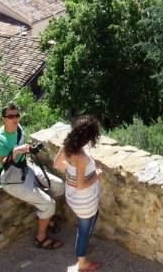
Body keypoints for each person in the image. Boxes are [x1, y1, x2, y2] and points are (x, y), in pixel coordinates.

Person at [0, 104, 64, 250]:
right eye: (10, 116)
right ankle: (41, 238)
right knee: (49, 204)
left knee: (59, 185)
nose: (15, 119)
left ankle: (44, 214)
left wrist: (29, 148)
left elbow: (22, 148)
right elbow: (4, 163)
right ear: (3, 119)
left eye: (17, 115)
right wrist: (15, 151)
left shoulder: (19, 129)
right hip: (11, 178)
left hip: (25, 168)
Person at [53, 116, 103, 271]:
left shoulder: (68, 146)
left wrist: (70, 169)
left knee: (92, 218)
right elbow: (82, 185)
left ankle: (83, 247)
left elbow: (56, 164)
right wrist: (96, 175)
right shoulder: (81, 157)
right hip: (83, 199)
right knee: (83, 229)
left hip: (73, 196)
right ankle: (82, 263)